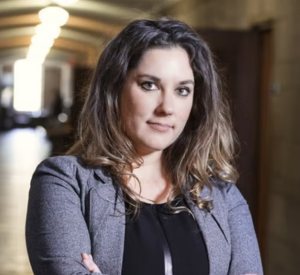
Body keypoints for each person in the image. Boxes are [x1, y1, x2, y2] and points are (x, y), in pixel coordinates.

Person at [25, 18, 263, 275]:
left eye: (182, 90)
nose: (167, 108)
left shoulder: (223, 197)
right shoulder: (64, 182)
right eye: (149, 85)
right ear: (114, 89)